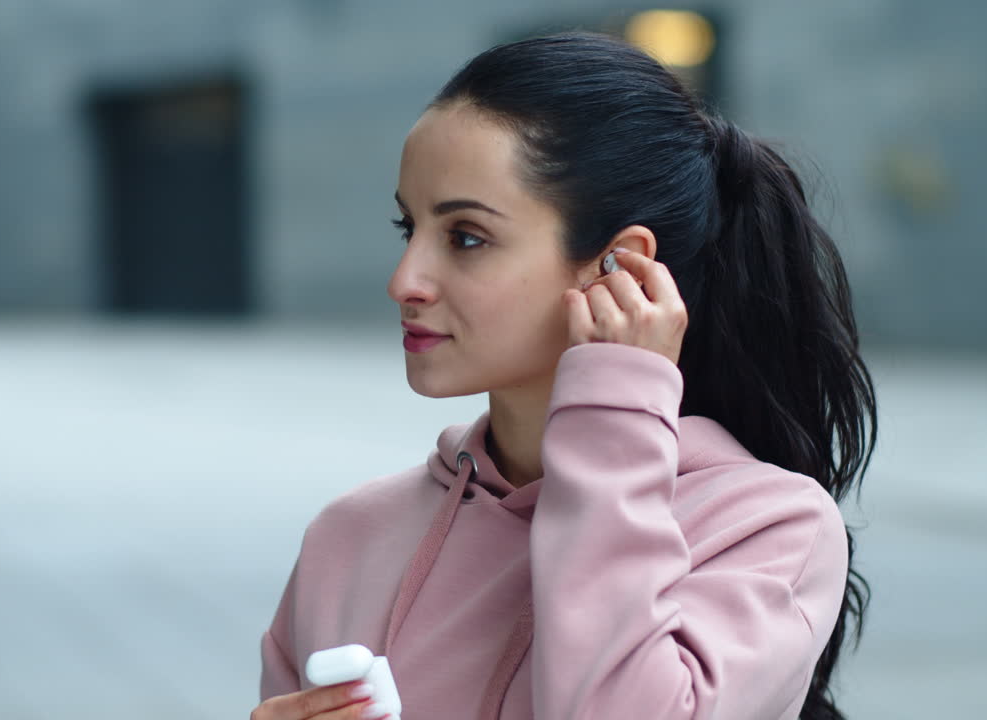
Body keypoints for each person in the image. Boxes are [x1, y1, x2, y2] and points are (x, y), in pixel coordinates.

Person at [252, 30, 877, 720]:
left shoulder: (764, 527)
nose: (406, 281)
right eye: (410, 230)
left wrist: (615, 404)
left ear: (620, 265)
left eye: (466, 237)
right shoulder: (349, 536)